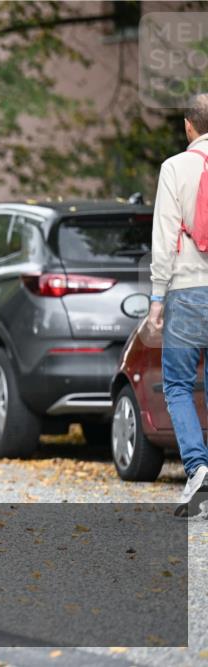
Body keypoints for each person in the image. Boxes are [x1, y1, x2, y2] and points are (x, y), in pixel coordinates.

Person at [149, 92, 208, 518]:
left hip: (187, 290)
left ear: (189, 125)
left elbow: (165, 236)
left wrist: (156, 297)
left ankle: (198, 468)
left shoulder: (174, 168)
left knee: (177, 385)